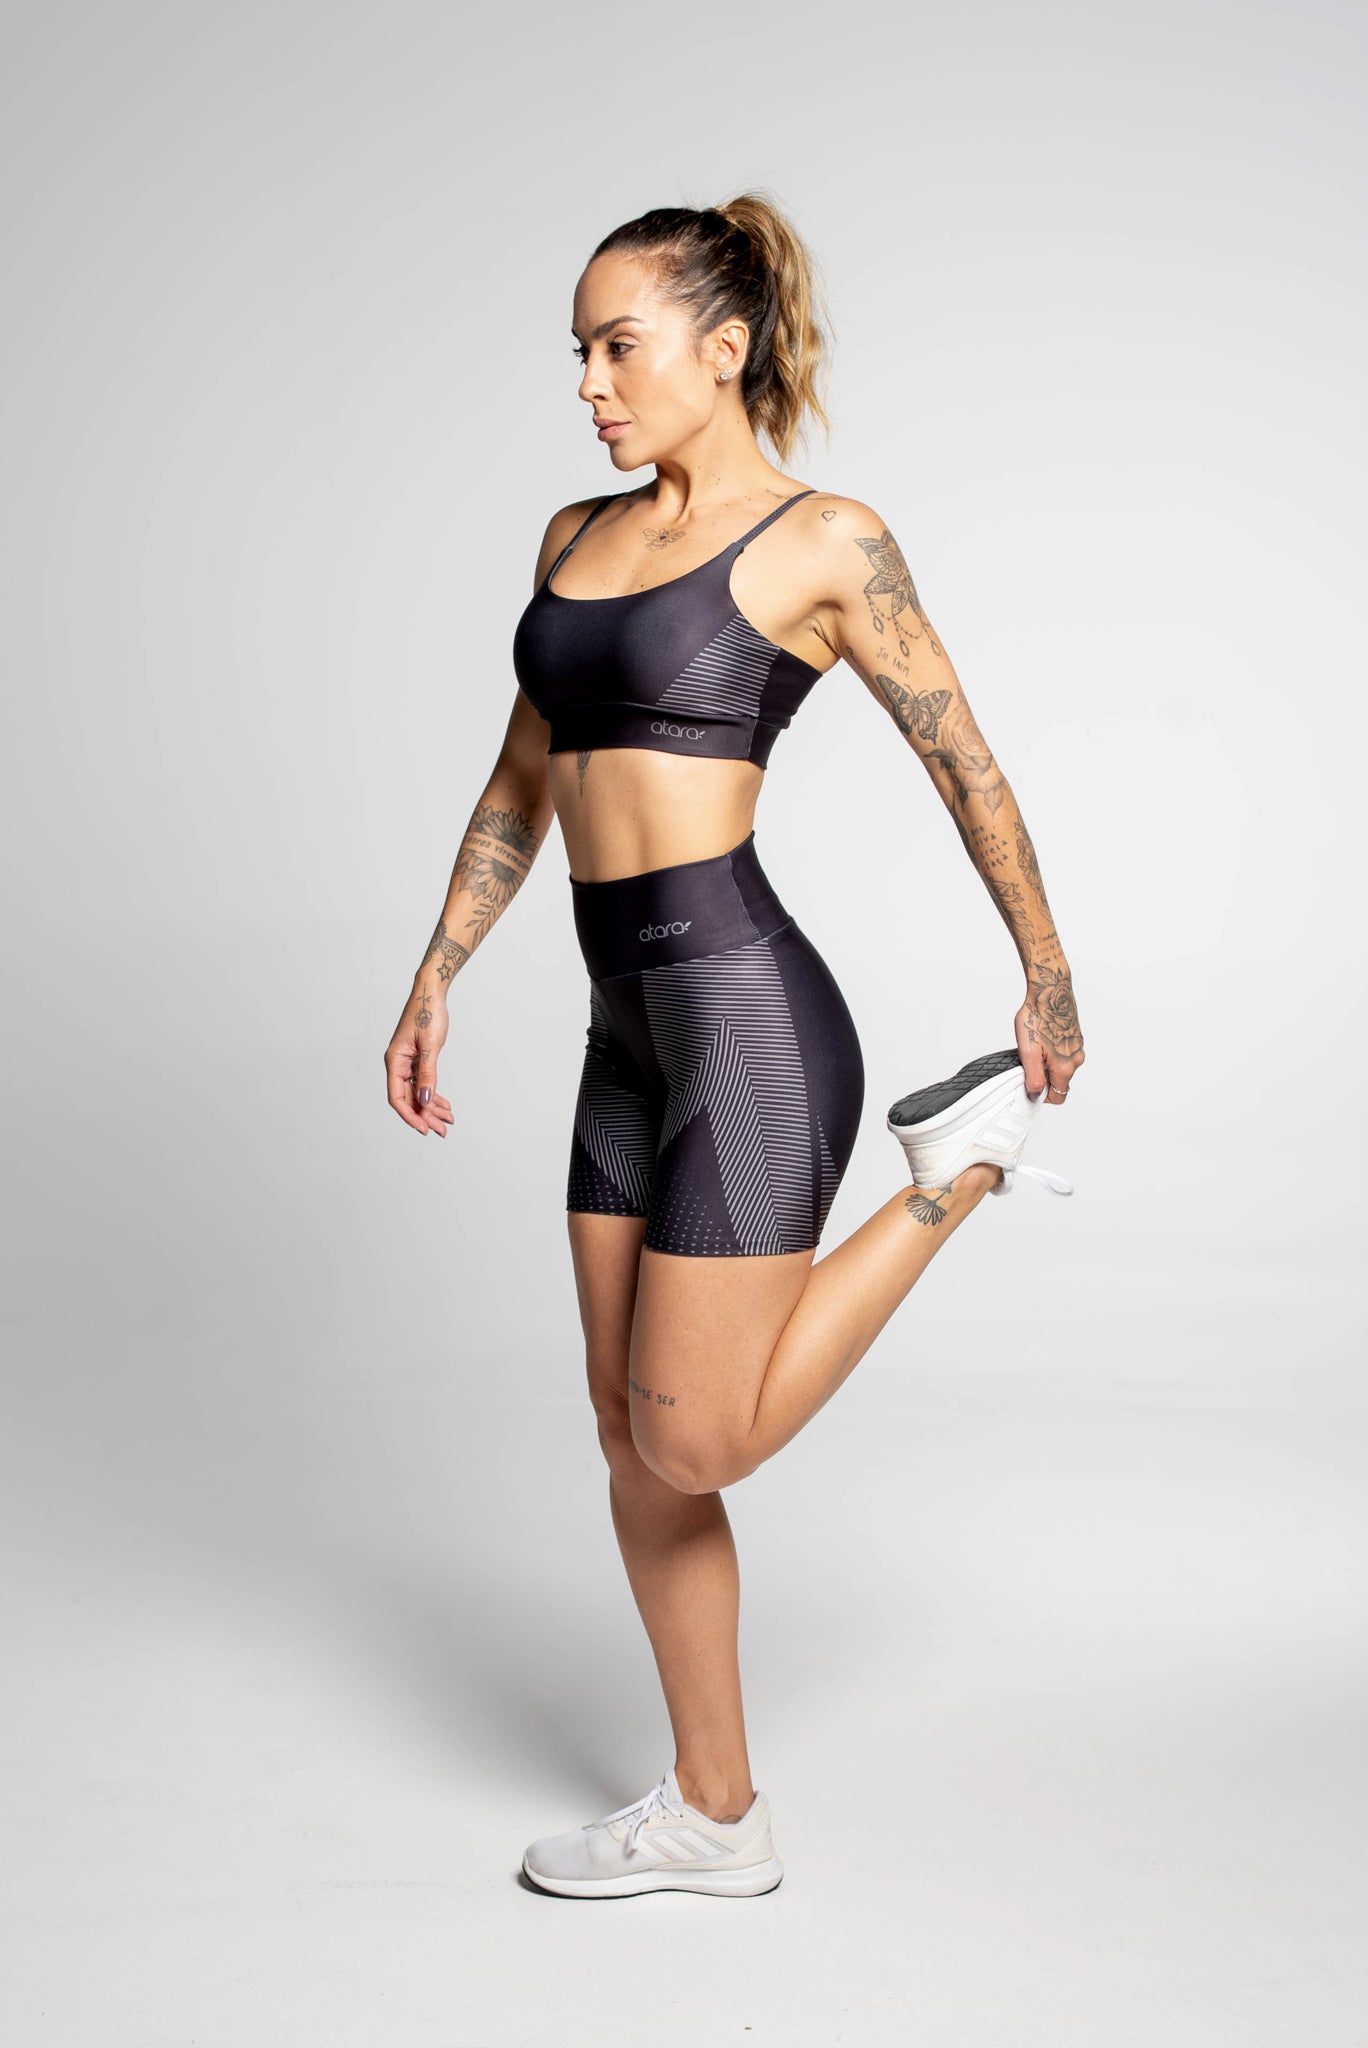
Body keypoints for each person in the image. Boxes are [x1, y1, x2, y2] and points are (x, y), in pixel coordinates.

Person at [383, 194, 1086, 1899]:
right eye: (578, 352)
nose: (589, 384)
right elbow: (521, 779)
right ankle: (717, 1815)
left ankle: (957, 1171)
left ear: (724, 346)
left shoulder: (825, 541)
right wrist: (438, 969)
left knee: (697, 1440)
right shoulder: (571, 538)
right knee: (628, 1438)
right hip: (621, 1026)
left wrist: (1046, 969)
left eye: (617, 347)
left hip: (747, 1019)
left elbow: (967, 763)